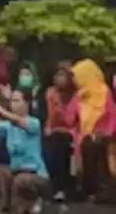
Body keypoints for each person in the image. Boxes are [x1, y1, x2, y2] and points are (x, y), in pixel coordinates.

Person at [0, 89, 51, 214]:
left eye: (17, 100)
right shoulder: (8, 125)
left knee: (22, 180)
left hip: (36, 174)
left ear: (27, 103)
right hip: (16, 171)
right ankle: (8, 204)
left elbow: (18, 121)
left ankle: (35, 199)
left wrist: (1, 110)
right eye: (12, 101)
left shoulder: (34, 122)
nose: (13, 104)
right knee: (2, 171)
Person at [68, 59, 116, 202]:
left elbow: (112, 116)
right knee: (84, 143)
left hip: (106, 134)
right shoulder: (79, 96)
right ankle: (86, 188)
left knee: (95, 145)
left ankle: (103, 189)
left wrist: (105, 133)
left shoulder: (104, 92)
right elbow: (70, 119)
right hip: (83, 135)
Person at [42, 63, 76, 201]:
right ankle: (52, 187)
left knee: (59, 142)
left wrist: (59, 109)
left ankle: (60, 188)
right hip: (53, 130)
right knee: (50, 144)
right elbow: (48, 116)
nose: (59, 79)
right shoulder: (50, 92)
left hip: (71, 131)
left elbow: (71, 119)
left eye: (63, 76)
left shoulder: (75, 95)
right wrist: (48, 128)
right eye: (57, 75)